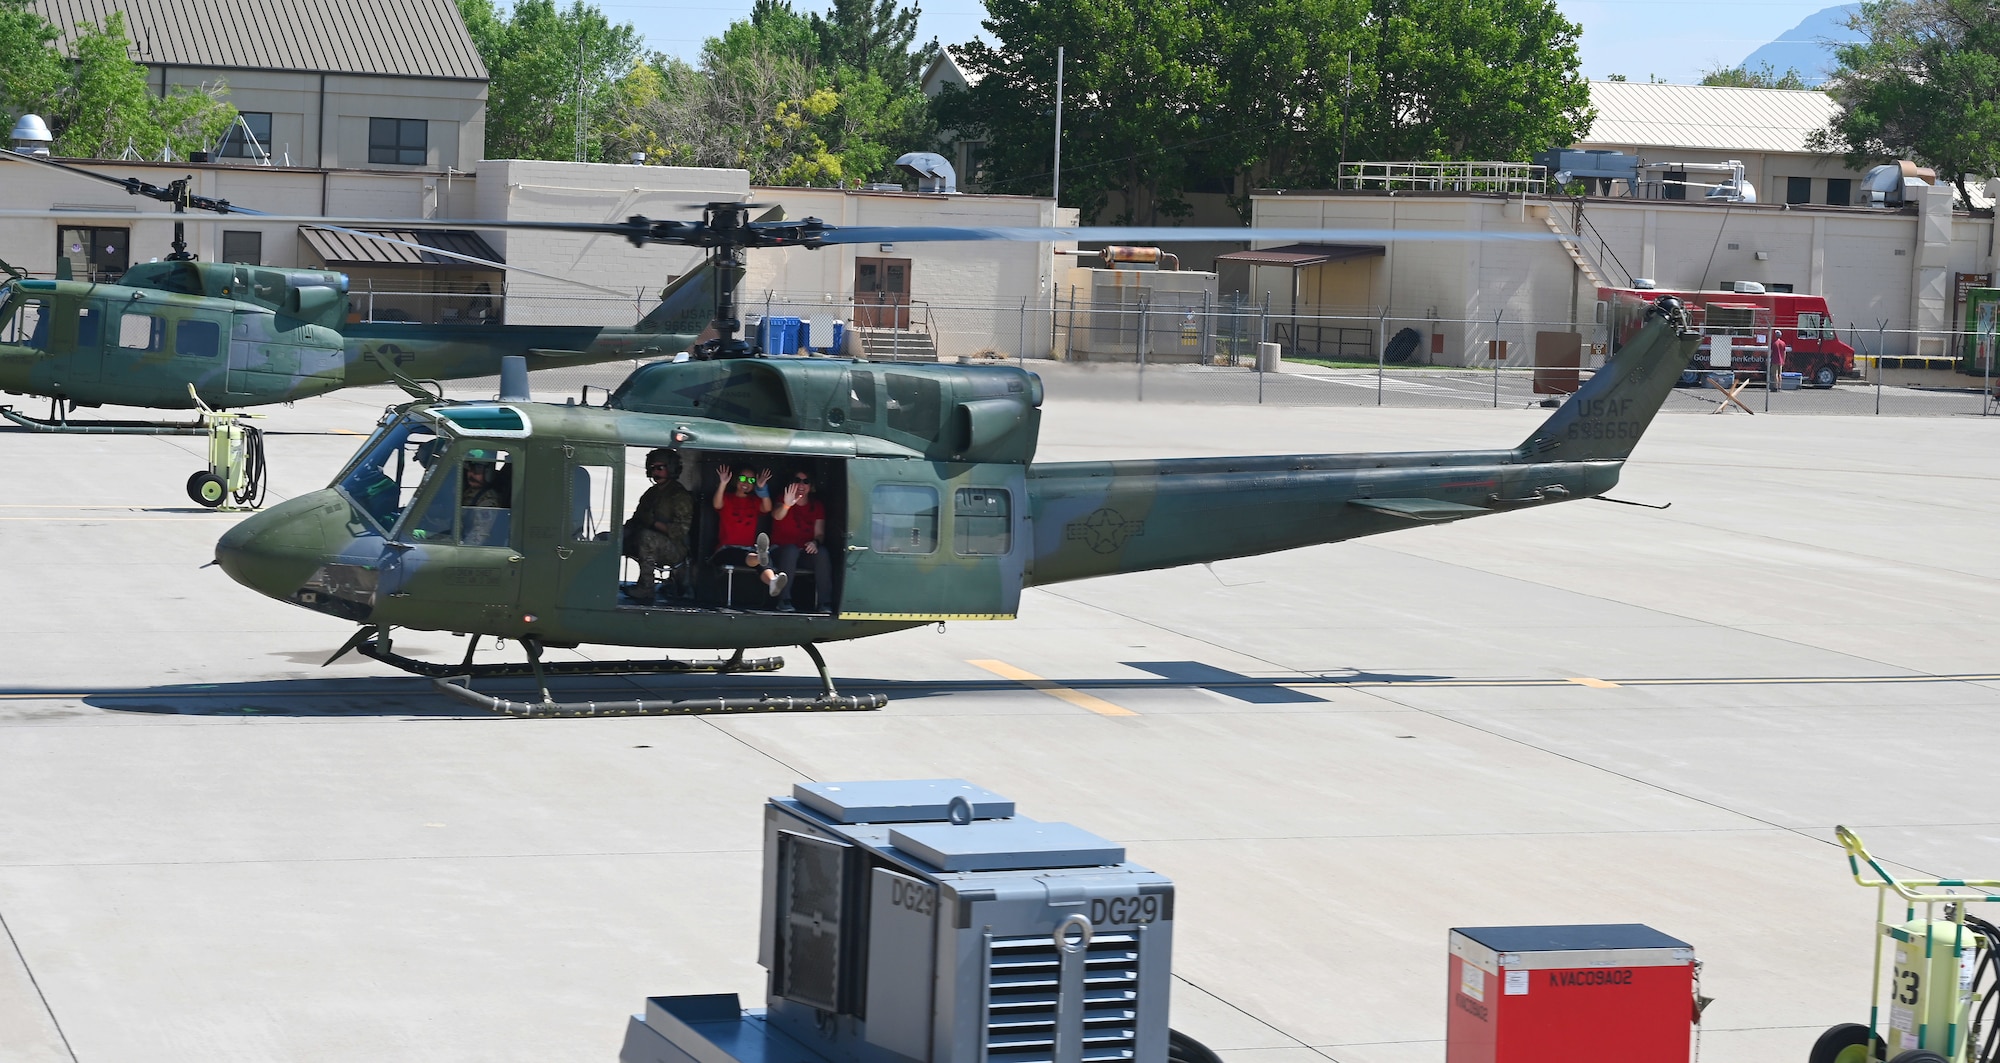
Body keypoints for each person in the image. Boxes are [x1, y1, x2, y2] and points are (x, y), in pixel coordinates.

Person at [624, 448, 693, 600]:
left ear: (671, 468)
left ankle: (646, 588)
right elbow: (636, 519)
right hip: (651, 543)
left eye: (660, 468)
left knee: (646, 537)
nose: (656, 472)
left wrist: (655, 524)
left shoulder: (679, 496)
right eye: (653, 468)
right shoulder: (651, 493)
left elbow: (681, 531)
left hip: (676, 549)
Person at [711, 462, 786, 600]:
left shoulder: (754, 501)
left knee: (761, 560)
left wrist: (762, 488)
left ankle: (772, 582)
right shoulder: (727, 498)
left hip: (748, 549)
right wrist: (723, 483)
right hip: (725, 549)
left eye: (751, 480)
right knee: (754, 556)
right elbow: (717, 503)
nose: (746, 483)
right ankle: (760, 556)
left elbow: (768, 508)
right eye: (743, 479)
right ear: (736, 480)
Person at [768, 469, 828, 613]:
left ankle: (825, 603)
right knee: (791, 550)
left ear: (811, 486)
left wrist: (815, 543)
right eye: (797, 480)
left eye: (806, 481)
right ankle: (784, 600)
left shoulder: (817, 506)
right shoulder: (783, 498)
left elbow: (820, 534)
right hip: (780, 551)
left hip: (803, 552)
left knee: (822, 553)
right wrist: (787, 505)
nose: (801, 485)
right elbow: (777, 516)